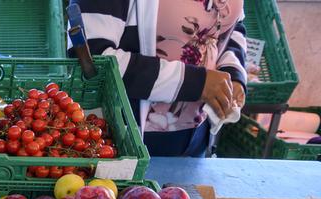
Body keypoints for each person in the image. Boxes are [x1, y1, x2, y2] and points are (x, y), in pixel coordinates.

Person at [69, 0, 247, 157]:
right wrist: (198, 83)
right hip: (126, 138)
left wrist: (233, 72)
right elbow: (92, 59)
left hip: (198, 136)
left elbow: (234, 27)